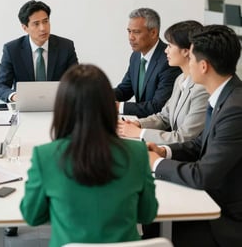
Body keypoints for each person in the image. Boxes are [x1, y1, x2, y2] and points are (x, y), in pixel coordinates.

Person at [20, 64, 158, 247]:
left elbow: (32, 216)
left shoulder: (45, 156)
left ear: (62, 107)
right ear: (110, 105)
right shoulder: (138, 153)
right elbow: (147, 215)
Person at [148, 25, 242, 247]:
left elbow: (203, 175)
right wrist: (164, 151)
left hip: (227, 218)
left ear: (203, 66)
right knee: (152, 222)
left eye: (191, 57)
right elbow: (200, 144)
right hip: (214, 199)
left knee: (159, 224)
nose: (187, 63)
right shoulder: (224, 96)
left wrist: (158, 163)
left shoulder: (235, 109)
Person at [117, 20, 209, 144]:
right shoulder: (180, 79)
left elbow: (184, 137)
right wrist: (137, 124)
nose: (166, 50)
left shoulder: (201, 89)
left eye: (170, 46)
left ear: (186, 51)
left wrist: (140, 133)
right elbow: (164, 117)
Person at [0, 0, 79, 102]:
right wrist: (15, 96)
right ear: (25, 28)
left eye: (45, 21)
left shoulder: (66, 47)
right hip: (25, 106)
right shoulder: (12, 50)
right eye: (36, 24)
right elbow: (0, 86)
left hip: (58, 105)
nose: (43, 28)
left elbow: (77, 82)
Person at [114, 8, 181, 118]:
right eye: (129, 31)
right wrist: (101, 96)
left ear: (153, 33)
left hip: (161, 130)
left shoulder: (169, 61)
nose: (131, 37)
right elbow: (124, 90)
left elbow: (158, 106)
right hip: (140, 125)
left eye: (136, 32)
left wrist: (118, 107)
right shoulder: (135, 56)